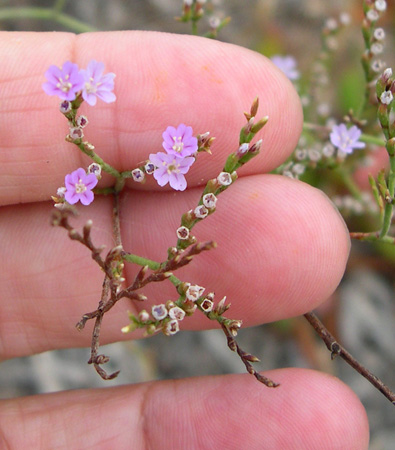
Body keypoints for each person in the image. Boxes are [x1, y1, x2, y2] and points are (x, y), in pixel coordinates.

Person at [0, 31, 369, 448]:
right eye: (69, 88)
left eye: (74, 87)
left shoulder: (156, 165)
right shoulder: (84, 141)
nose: (70, 89)